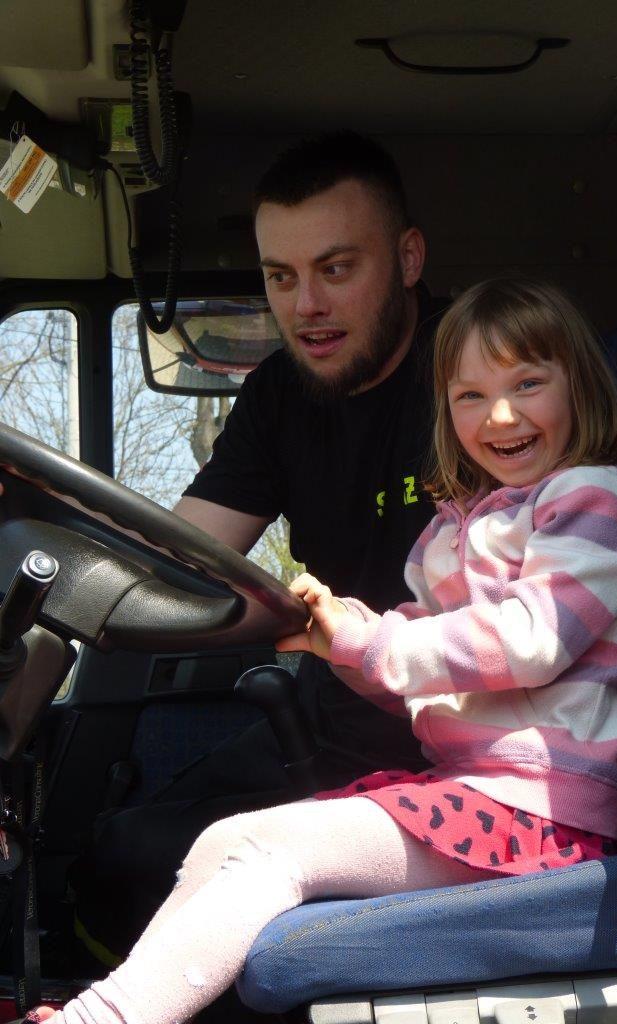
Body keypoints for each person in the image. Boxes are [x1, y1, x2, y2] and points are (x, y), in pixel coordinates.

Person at [30, 277, 617, 1024]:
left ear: (581, 386)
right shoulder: (458, 527)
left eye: (528, 384)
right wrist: (341, 642)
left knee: (264, 851)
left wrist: (374, 642)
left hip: (541, 817)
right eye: (469, 396)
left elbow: (531, 639)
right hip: (473, 791)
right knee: (224, 840)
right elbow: (418, 669)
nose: (500, 415)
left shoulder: (598, 499)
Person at [69, 131, 448, 958]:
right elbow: (177, 555)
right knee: (111, 852)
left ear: (408, 259)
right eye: (281, 276)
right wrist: (60, 540)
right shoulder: (282, 393)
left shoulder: (473, 377)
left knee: (145, 865)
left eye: (336, 269)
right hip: (328, 714)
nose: (305, 305)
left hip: (447, 748)